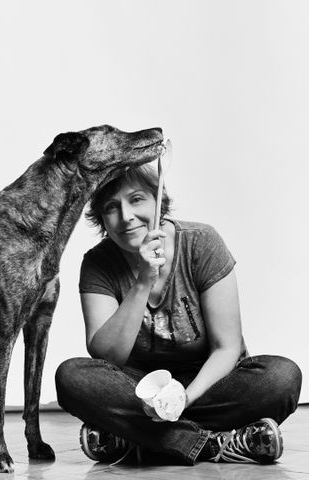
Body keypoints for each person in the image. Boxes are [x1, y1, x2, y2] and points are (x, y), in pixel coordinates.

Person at [55, 162, 302, 466]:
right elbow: (108, 355)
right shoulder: (97, 263)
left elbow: (227, 348)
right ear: (101, 218)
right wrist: (144, 279)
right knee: (72, 377)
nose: (126, 216)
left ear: (159, 202)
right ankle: (215, 444)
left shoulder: (201, 242)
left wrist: (182, 399)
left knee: (281, 377)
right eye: (111, 207)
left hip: (209, 384)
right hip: (139, 390)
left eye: (136, 199)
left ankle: (137, 439)